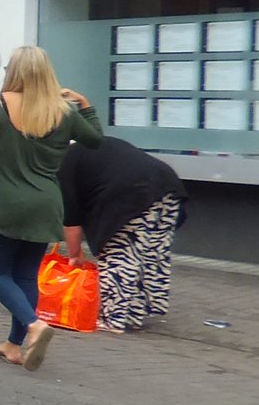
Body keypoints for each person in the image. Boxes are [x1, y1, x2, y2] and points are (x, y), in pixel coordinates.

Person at [0, 45, 102, 370]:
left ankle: (34, 325)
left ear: (13, 72)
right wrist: (86, 105)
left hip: (6, 206)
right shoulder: (64, 112)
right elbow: (95, 140)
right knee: (24, 276)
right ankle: (13, 345)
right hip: (47, 205)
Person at [59, 137, 188, 333]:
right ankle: (134, 315)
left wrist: (75, 255)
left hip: (130, 194)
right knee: (150, 253)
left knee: (119, 254)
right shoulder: (93, 144)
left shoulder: (65, 161)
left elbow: (71, 220)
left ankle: (113, 318)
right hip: (168, 184)